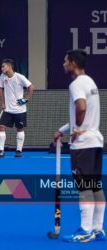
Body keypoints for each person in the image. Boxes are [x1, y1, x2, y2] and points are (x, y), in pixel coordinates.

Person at [53, 49, 105, 243]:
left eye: (66, 61)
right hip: (96, 140)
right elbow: (82, 114)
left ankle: (85, 230)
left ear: (73, 63)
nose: (64, 64)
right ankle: (98, 229)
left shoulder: (76, 84)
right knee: (95, 186)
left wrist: (77, 130)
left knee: (84, 188)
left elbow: (81, 108)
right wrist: (63, 130)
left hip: (83, 144)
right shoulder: (90, 82)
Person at [0, 59, 34, 158]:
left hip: (20, 109)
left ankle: (19, 151)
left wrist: (26, 99)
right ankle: (1, 151)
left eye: (3, 66)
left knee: (20, 129)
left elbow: (31, 87)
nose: (1, 68)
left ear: (9, 66)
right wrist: (3, 103)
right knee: (1, 127)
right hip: (7, 109)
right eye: (1, 66)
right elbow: (1, 89)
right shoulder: (3, 77)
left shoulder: (20, 77)